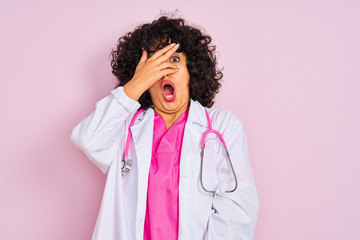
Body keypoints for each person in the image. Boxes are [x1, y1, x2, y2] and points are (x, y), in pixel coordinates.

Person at [71, 14, 259, 240]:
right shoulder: (125, 128)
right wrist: (138, 83)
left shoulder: (222, 127)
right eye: (154, 63)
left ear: (191, 71)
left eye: (174, 60)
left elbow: (237, 211)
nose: (164, 71)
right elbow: (88, 140)